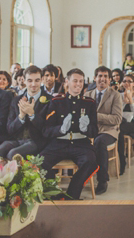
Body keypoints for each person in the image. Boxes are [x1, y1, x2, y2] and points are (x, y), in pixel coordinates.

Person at [40, 68, 99, 200]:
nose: (78, 84)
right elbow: (47, 130)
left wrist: (86, 129)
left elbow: (95, 131)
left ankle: (72, 195)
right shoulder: (56, 102)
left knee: (91, 161)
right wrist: (60, 129)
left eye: (81, 81)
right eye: (75, 81)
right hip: (59, 142)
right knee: (40, 161)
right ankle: (54, 194)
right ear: (67, 82)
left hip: (81, 143)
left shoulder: (89, 103)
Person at [0, 66, 50, 160]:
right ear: (24, 80)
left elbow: (48, 129)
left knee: (13, 155)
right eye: (30, 80)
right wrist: (21, 116)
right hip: (16, 139)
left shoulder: (50, 100)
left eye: (37, 80)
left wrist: (32, 114)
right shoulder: (16, 100)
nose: (33, 84)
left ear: (41, 80)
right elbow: (10, 129)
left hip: (36, 141)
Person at [85, 66, 122, 195]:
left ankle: (102, 180)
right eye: (100, 76)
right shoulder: (87, 95)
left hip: (109, 131)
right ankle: (82, 176)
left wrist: (95, 116)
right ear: (95, 78)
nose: (102, 79)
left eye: (106, 76)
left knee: (99, 142)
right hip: (90, 131)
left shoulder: (115, 95)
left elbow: (117, 119)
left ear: (110, 79)